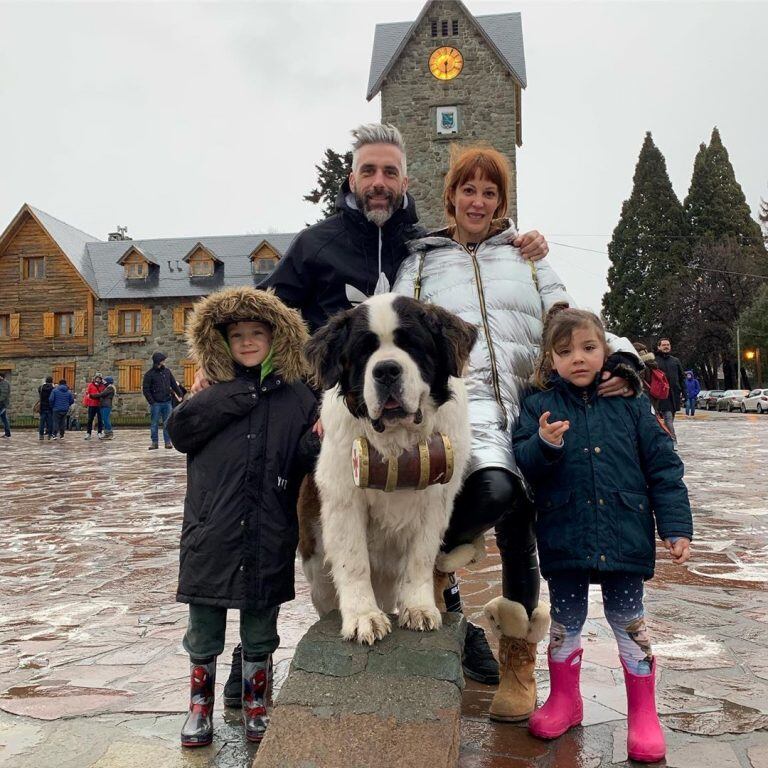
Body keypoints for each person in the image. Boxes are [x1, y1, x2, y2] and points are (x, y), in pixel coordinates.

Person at [202, 123, 551, 699]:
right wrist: (211, 356)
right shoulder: (317, 242)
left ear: (407, 181)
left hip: (421, 406)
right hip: (333, 404)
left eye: (390, 172)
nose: (379, 183)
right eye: (369, 171)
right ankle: (252, 649)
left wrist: (521, 241)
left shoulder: (423, 241)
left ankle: (441, 603)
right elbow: (265, 305)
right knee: (278, 504)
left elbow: (478, 249)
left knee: (447, 493)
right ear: (353, 178)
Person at [392, 145, 642, 720]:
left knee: (522, 540)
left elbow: (572, 319)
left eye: (490, 192)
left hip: (534, 410)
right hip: (464, 407)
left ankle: (518, 669)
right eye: (468, 189)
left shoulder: (528, 258)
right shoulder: (423, 263)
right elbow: (400, 329)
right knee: (495, 489)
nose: (478, 201)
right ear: (451, 196)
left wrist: (622, 361)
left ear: (502, 202)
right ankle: (436, 559)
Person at [512, 307, 692, 764]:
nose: (578, 358)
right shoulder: (537, 405)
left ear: (605, 350)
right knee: (565, 623)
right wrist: (544, 444)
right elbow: (523, 463)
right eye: (565, 351)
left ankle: (643, 714)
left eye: (588, 348)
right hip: (565, 530)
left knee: (629, 621)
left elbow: (664, 467)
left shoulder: (632, 402)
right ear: (550, 359)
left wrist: (675, 527)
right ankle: (565, 701)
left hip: (624, 531)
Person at [167, 286, 316, 747]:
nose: (248, 342)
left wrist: (323, 432)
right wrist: (232, 393)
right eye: (237, 335)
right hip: (211, 530)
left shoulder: (297, 397)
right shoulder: (209, 392)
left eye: (258, 333)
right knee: (204, 627)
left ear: (278, 339)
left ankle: (257, 705)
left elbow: (305, 459)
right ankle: (199, 707)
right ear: (222, 341)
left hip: (269, 528)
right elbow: (180, 432)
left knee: (260, 627)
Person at [142, 351, 183, 450]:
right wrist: (152, 401)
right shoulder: (149, 374)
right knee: (154, 423)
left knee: (167, 423)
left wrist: (180, 394)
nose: (164, 361)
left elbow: (173, 384)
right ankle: (154, 442)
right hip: (156, 403)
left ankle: (168, 442)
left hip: (167, 402)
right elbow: (146, 389)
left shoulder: (167, 372)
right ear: (158, 361)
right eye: (162, 360)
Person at [654, 338, 685, 444]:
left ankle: (665, 439)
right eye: (663, 345)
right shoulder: (654, 361)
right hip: (661, 395)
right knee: (667, 418)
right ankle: (673, 441)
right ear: (659, 347)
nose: (666, 346)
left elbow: (682, 378)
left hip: (674, 395)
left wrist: (685, 393)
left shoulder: (675, 361)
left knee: (670, 419)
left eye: (668, 344)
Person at [82, 374, 106, 440]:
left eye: (99, 379)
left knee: (100, 419)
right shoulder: (90, 385)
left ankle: (100, 432)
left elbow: (104, 394)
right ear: (95, 379)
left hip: (99, 404)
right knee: (90, 419)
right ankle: (88, 433)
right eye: (97, 378)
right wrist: (86, 402)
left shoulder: (103, 386)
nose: (98, 380)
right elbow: (87, 394)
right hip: (92, 404)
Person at [0, 372, 11, 438]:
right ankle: (7, 433)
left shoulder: (4, 383)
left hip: (2, 404)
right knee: (4, 419)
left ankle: (7, 433)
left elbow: (3, 395)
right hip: (2, 404)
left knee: (4, 419)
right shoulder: (2, 383)